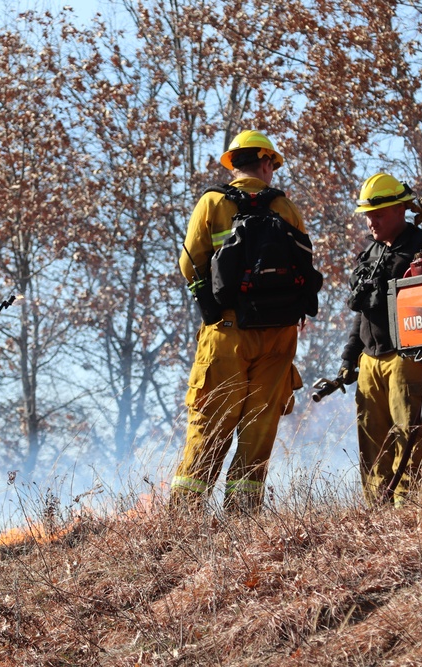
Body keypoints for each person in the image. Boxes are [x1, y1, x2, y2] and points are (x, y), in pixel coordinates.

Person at [170, 130, 308, 512]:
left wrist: (211, 305)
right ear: (265, 163)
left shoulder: (212, 202)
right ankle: (243, 518)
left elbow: (188, 264)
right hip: (279, 336)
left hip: (227, 333)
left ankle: (182, 521)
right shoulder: (286, 208)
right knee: (258, 431)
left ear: (234, 164)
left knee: (211, 426)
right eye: (272, 166)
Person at [334, 173, 422, 507]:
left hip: (407, 356)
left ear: (400, 211)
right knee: (371, 440)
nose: (370, 221)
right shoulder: (371, 253)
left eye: (377, 214)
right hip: (370, 359)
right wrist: (350, 358)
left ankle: (406, 507)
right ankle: (378, 510)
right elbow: (362, 311)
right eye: (367, 215)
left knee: (409, 436)